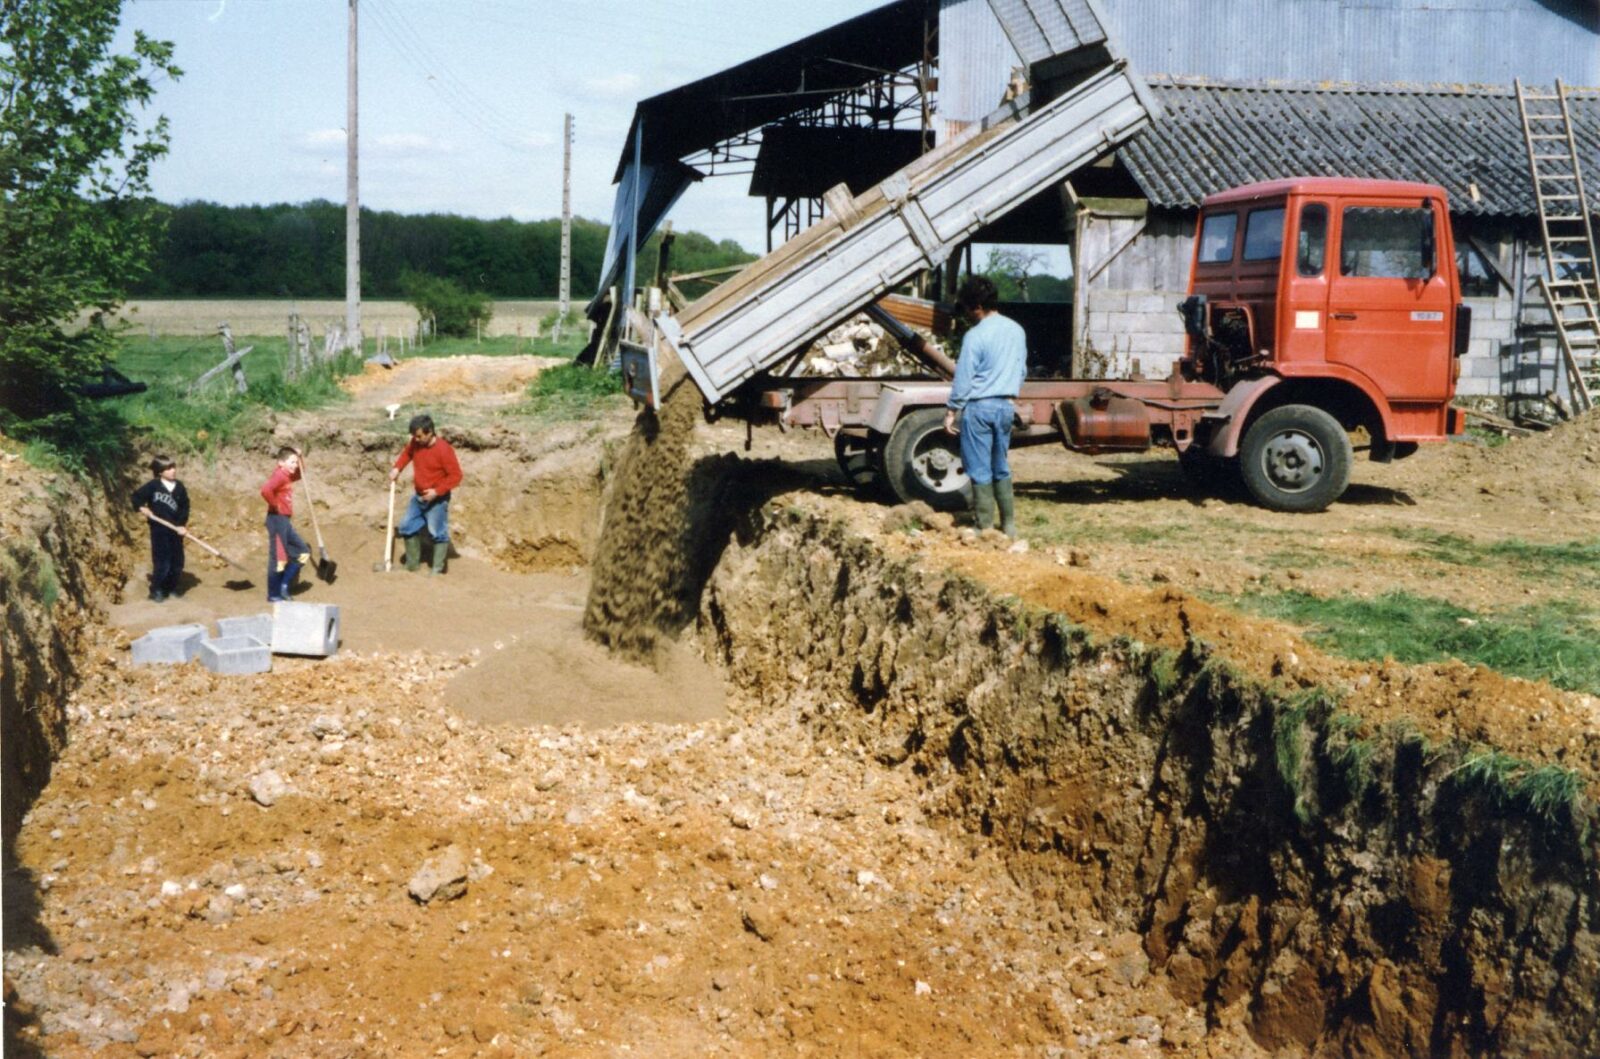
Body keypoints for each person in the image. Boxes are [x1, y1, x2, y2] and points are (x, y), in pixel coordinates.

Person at [943, 276, 1028, 537]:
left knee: (979, 469)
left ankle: (984, 527)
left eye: (967, 308)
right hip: (1005, 406)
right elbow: (1021, 369)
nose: (967, 314)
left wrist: (951, 411)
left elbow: (964, 377)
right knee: (1000, 465)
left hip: (979, 407)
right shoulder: (1016, 330)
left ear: (977, 306)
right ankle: (1010, 526)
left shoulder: (975, 335)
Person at [390, 414, 463, 575]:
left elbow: (456, 476)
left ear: (430, 432)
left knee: (437, 532)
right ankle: (412, 565)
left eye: (419, 436)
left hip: (437, 500)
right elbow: (407, 454)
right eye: (414, 436)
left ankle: (437, 570)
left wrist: (437, 492)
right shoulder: (416, 444)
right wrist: (397, 468)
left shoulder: (444, 450)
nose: (415, 440)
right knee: (406, 526)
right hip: (419, 497)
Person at [132, 456, 189, 602]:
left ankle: (169, 588)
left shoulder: (180, 487)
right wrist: (142, 508)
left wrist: (182, 525)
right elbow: (136, 497)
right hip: (159, 529)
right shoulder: (153, 486)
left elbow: (185, 507)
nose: (173, 470)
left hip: (175, 530)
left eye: (173, 467)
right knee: (163, 562)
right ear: (159, 472)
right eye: (168, 468)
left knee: (178, 563)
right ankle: (156, 589)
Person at [260, 446, 309, 603]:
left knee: (303, 552)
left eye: (295, 462)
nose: (295, 465)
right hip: (277, 519)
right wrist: (275, 505)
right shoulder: (280, 475)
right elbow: (266, 490)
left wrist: (300, 458)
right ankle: (273, 594)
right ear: (281, 463)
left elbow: (300, 473)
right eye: (292, 462)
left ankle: (284, 585)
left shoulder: (287, 475)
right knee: (279, 559)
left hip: (284, 520)